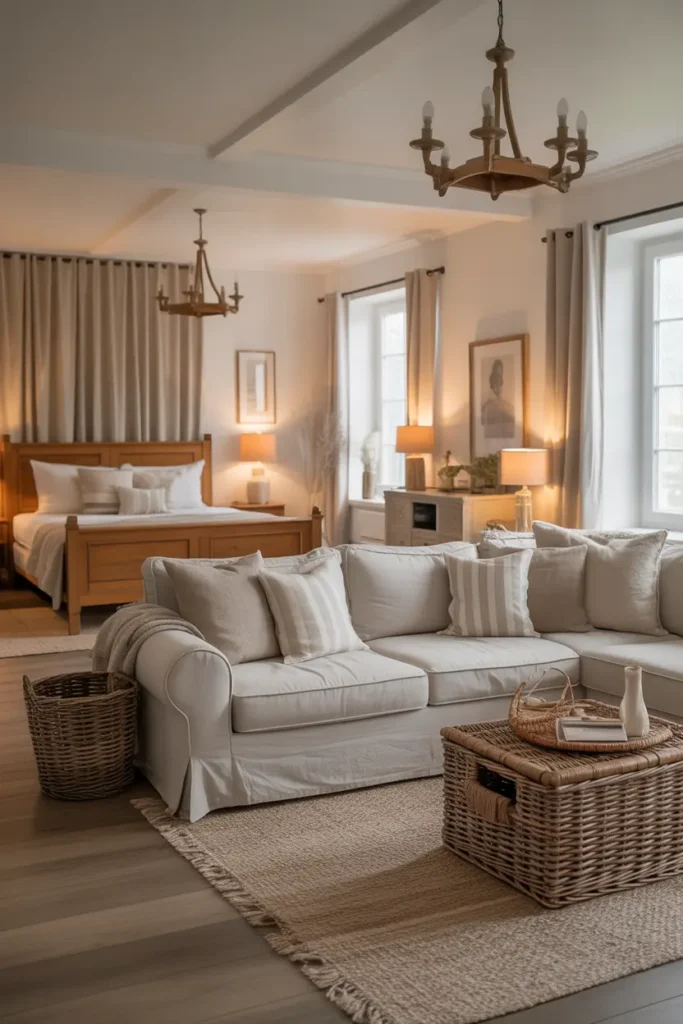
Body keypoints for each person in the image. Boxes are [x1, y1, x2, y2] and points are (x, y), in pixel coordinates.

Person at [481, 358, 515, 438]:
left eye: (501, 371)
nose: (499, 373)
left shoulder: (504, 398)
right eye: (497, 371)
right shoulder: (488, 400)